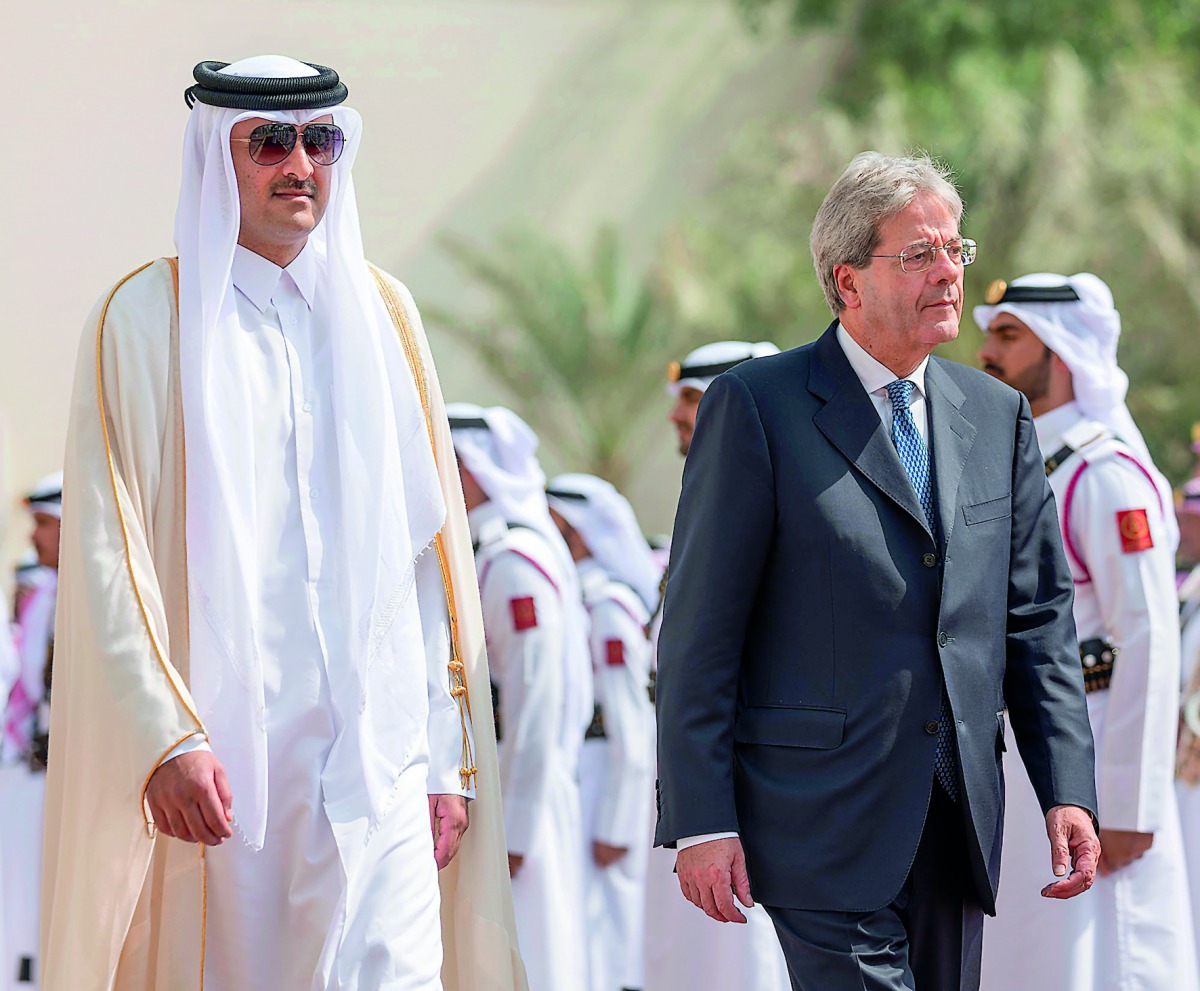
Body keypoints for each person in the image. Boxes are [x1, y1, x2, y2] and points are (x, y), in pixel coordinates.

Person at [41, 56, 523, 991]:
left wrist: (443, 748)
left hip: (382, 758)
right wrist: (165, 735)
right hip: (230, 769)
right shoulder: (144, 321)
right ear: (216, 158)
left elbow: (425, 556)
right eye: (270, 142)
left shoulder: (388, 315)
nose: (300, 163)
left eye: (321, 140)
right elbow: (109, 553)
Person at [655, 152, 1101, 991]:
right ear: (847, 279)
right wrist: (699, 819)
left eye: (954, 251)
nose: (948, 273)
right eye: (919, 254)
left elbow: (1036, 620)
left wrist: (1066, 787)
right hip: (816, 819)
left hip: (957, 816)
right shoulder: (757, 406)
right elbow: (701, 630)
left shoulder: (995, 415)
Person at [975, 272, 1198, 990]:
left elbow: (1148, 638)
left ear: (1063, 351)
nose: (986, 352)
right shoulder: (1026, 464)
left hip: (1100, 757)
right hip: (1030, 753)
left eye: (1008, 335)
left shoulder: (1101, 472)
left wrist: (1130, 805)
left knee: (1109, 959)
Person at [645, 344, 792, 991]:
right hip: (703, 786)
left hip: (755, 783)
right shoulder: (707, 495)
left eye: (693, 398)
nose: (678, 415)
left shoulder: (775, 498)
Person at [449, 404, 592, 991]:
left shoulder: (511, 565)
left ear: (477, 470)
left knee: (527, 954)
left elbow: (536, 706)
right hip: (507, 793)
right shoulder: (492, 555)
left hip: (517, 799)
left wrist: (518, 828)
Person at [547, 473, 660, 991]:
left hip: (605, 786)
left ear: (579, 531)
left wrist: (617, 823)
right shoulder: (585, 598)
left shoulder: (607, 607)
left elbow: (632, 730)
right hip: (588, 778)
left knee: (606, 930)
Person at [0, 473, 60, 989]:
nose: (33, 537)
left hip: (70, 786)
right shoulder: (46, 602)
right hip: (30, 774)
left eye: (44, 524)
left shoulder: (87, 602)